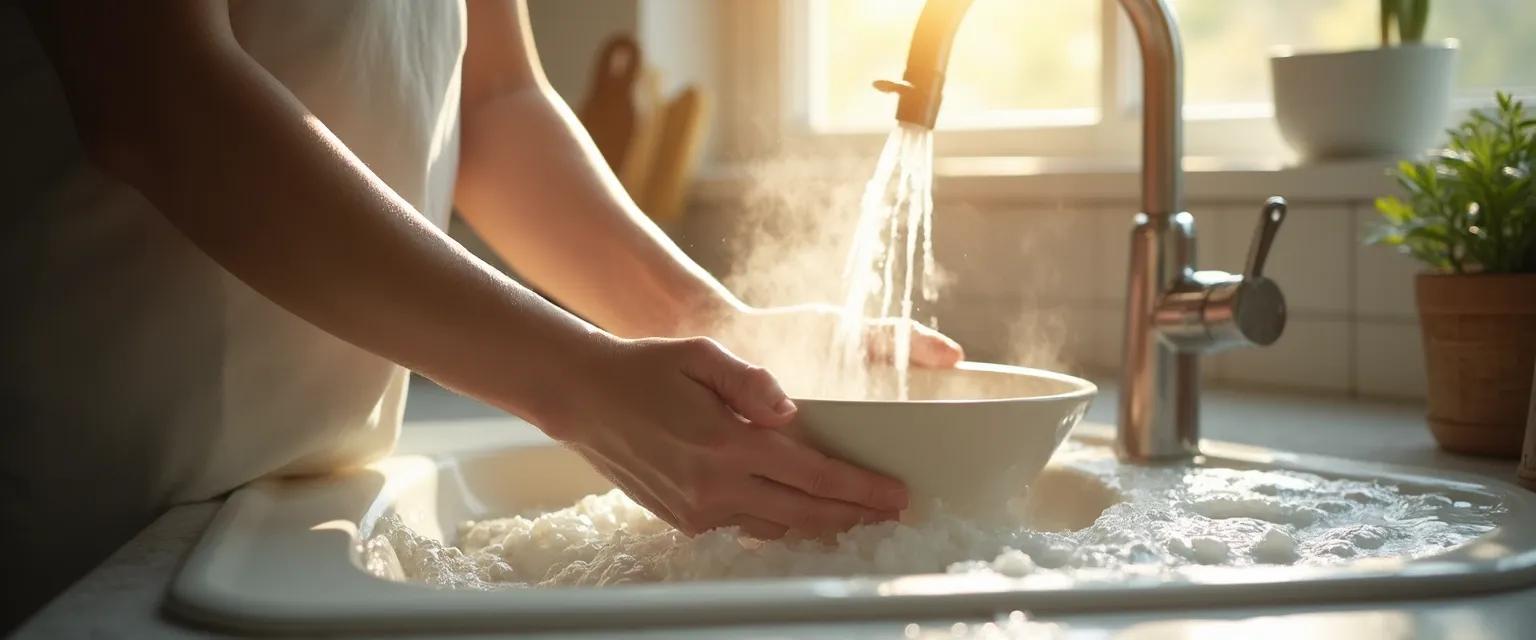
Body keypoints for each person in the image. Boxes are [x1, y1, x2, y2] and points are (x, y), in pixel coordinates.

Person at [0, 0, 964, 626]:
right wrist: (578, 382)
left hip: (313, 491)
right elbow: (158, 98)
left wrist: (721, 330)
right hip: (98, 494)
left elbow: (494, 101)